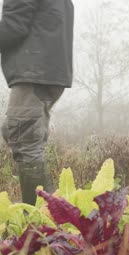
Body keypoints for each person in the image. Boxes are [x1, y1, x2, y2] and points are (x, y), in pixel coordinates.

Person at [0, 0, 74, 205]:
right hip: (47, 70)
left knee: (24, 141)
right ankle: (50, 209)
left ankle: (40, 219)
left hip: (34, 72)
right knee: (15, 132)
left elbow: (14, 26)